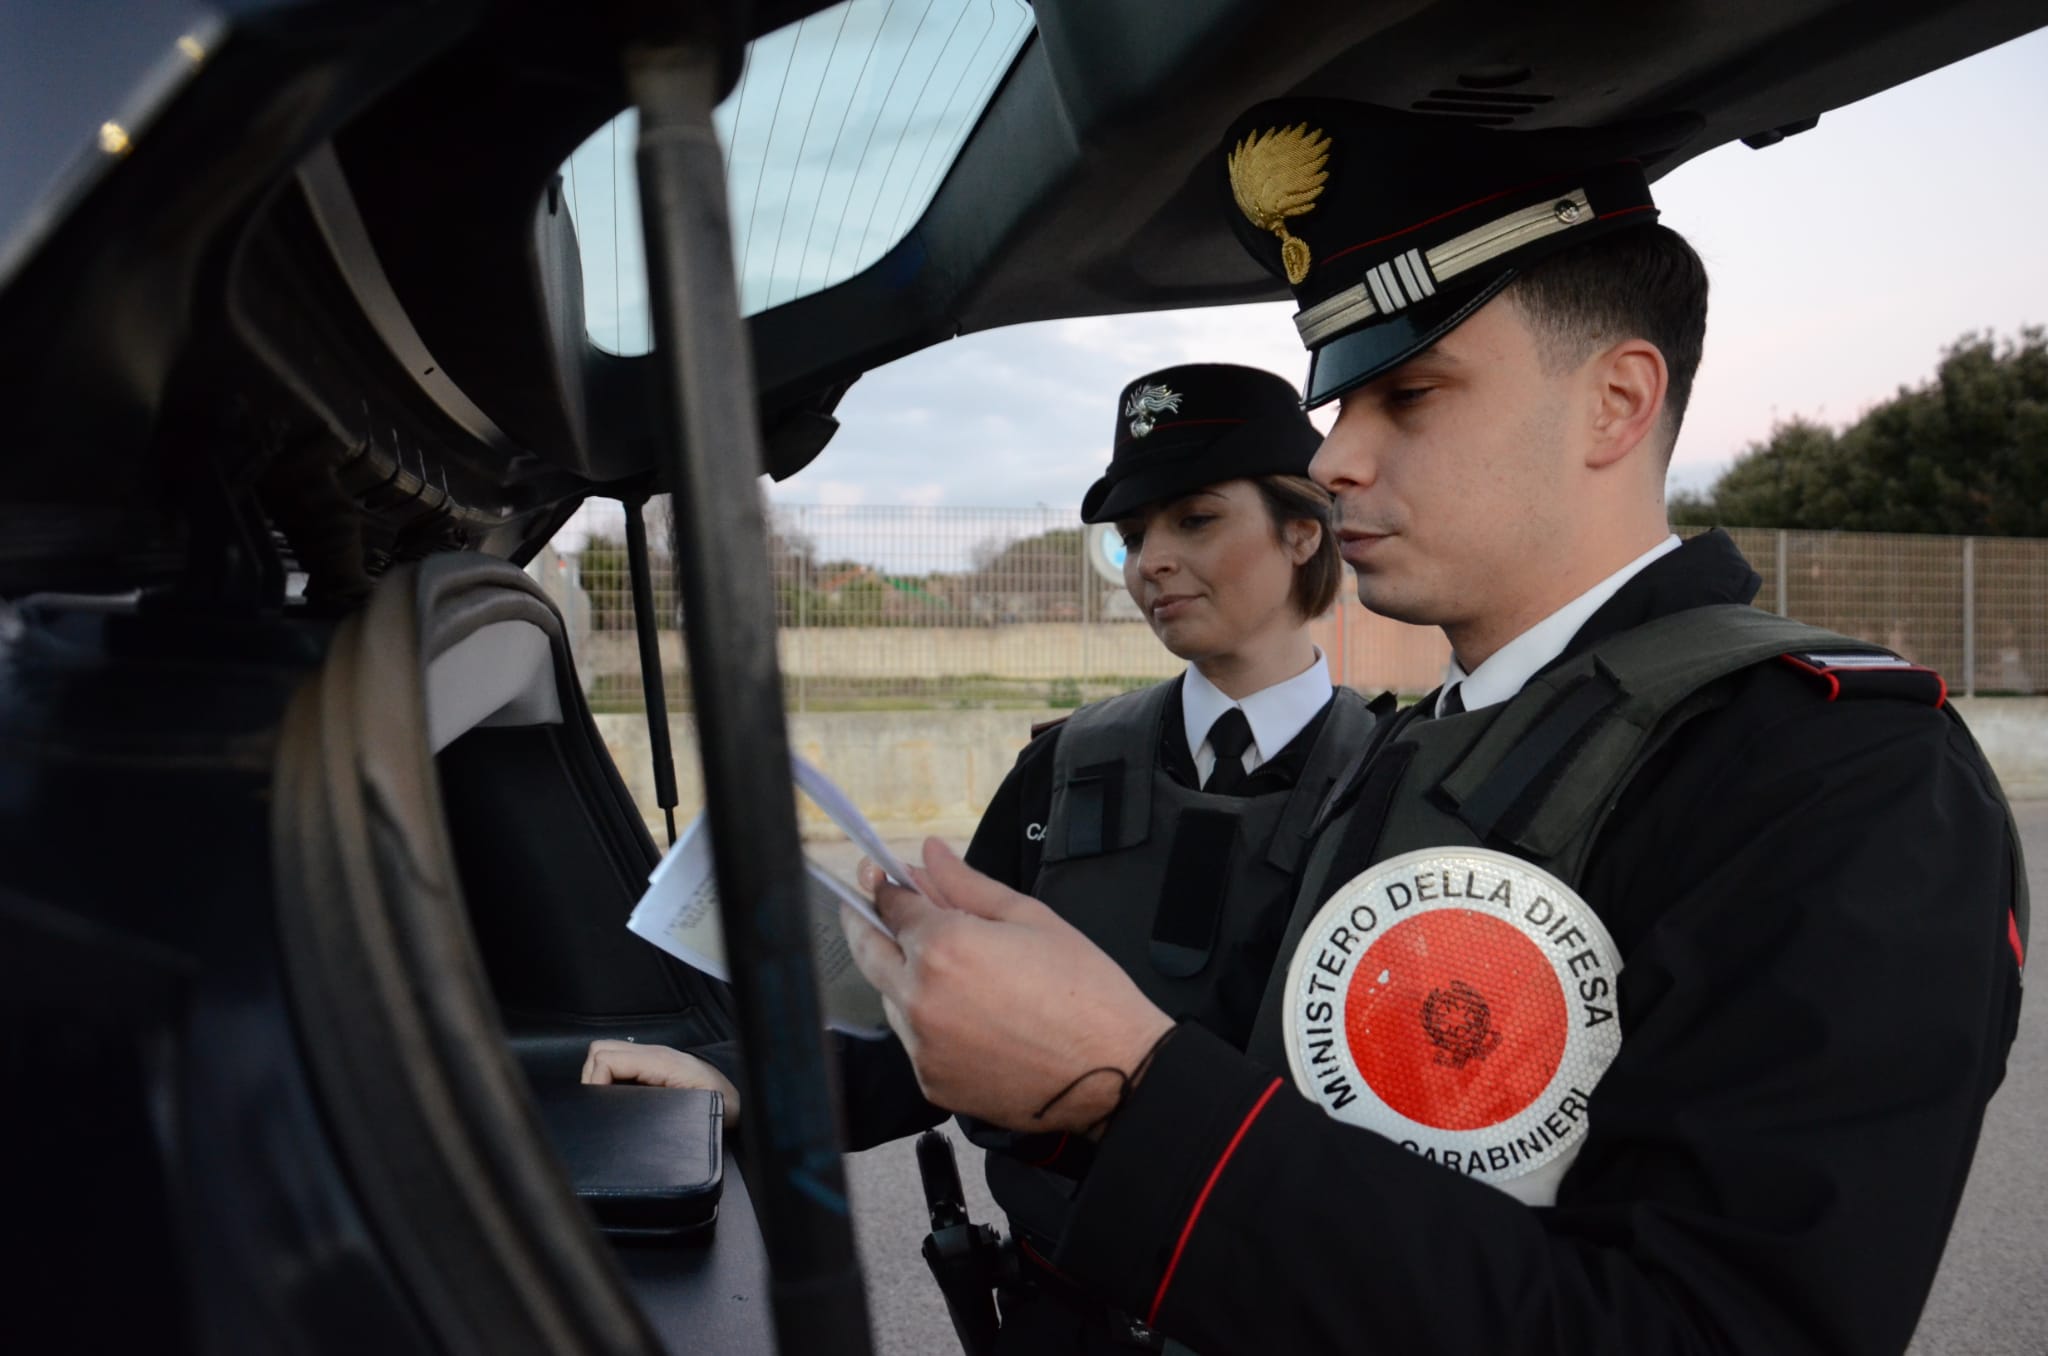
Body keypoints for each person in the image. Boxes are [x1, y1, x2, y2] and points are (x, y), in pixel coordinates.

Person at [839, 99, 2029, 1355]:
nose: (1337, 457)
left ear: (1615, 402)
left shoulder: (1834, 773)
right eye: (1338, 402)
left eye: (1407, 393)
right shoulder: (1424, 745)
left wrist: (1129, 1088)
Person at [586, 361, 1376, 1351]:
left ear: (1301, 528)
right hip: (1060, 1311)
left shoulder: (1397, 786)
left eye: (1194, 520)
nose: (1149, 563)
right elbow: (923, 1032)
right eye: (1132, 537)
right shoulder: (1064, 770)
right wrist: (727, 1079)